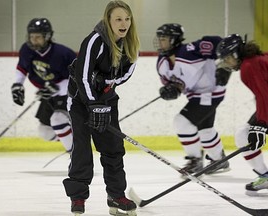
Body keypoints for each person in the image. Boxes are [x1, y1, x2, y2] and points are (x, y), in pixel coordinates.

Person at [62, 1, 140, 215]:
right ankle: (78, 197)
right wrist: (93, 103)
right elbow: (82, 75)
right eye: (118, 19)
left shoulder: (131, 42)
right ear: (109, 21)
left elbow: (126, 73)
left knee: (113, 149)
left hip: (106, 100)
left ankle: (116, 196)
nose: (124, 23)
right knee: (82, 149)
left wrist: (106, 85)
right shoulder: (95, 40)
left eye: (127, 18)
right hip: (80, 100)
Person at [154, 23, 231, 177]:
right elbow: (172, 82)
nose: (160, 42)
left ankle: (195, 160)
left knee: (181, 122)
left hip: (210, 92)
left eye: (164, 39)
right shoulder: (162, 62)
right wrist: (171, 89)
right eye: (159, 39)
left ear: (175, 40)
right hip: (196, 95)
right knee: (205, 130)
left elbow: (220, 44)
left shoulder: (191, 50)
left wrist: (224, 67)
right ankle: (219, 159)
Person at [11, 18, 76, 152]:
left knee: (57, 119)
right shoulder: (26, 50)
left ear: (47, 36)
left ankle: (76, 155)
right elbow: (22, 68)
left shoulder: (63, 54)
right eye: (32, 36)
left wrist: (57, 88)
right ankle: (74, 138)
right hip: (49, 94)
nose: (34, 40)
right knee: (45, 132)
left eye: (38, 37)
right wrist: (18, 84)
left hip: (69, 95)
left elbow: (78, 79)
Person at [216, 34, 268, 196]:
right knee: (243, 134)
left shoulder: (248, 67)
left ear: (235, 54)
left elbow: (264, 95)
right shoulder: (254, 60)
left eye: (227, 58)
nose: (226, 63)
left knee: (245, 134)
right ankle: (265, 176)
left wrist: (262, 124)